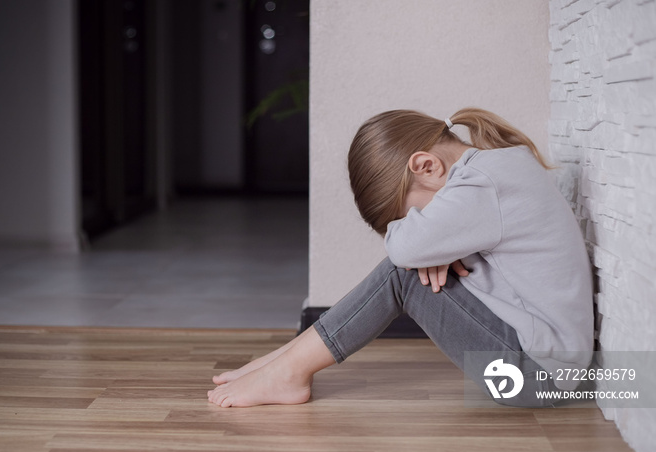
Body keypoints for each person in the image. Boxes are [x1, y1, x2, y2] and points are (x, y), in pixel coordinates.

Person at [207, 107, 594, 408]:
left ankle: (289, 370)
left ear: (427, 166)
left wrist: (421, 245)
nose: (420, 225)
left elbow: (403, 251)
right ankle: (286, 360)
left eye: (413, 217)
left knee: (404, 274)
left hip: (539, 378)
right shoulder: (491, 174)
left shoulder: (482, 183)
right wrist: (432, 244)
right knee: (411, 266)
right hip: (545, 367)